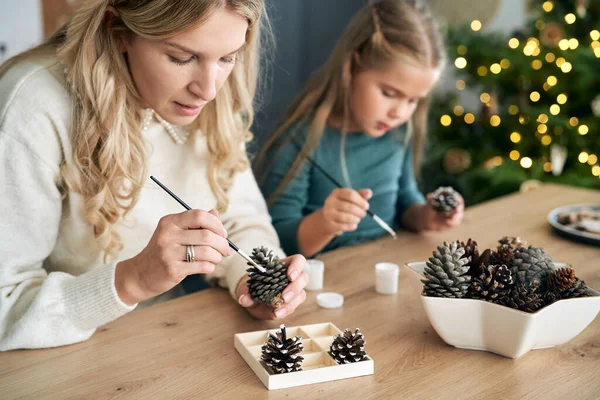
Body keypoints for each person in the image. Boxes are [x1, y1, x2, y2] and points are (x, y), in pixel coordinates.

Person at [0, 0, 308, 351]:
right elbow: (4, 304)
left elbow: (239, 220)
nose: (208, 90)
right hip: (60, 361)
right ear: (118, 31)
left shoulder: (213, 102)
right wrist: (132, 281)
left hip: (165, 343)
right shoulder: (32, 106)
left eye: (228, 57)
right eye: (181, 58)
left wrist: (256, 279)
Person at [256, 0, 464, 258]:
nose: (399, 112)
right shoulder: (300, 141)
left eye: (413, 100)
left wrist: (425, 217)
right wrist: (326, 223)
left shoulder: (398, 133)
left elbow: (406, 202)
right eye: (389, 93)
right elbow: (274, 241)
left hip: (383, 267)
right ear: (352, 67)